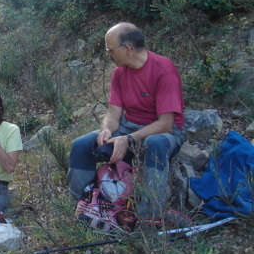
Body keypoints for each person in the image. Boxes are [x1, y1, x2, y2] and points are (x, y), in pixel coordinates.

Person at [67, 22, 186, 223]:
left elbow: (165, 123)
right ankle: (83, 204)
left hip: (164, 133)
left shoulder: (163, 71)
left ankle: (150, 215)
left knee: (155, 144)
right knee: (82, 145)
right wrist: (106, 129)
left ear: (128, 49)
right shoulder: (119, 73)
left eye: (110, 49)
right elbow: (113, 114)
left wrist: (128, 139)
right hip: (128, 127)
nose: (107, 54)